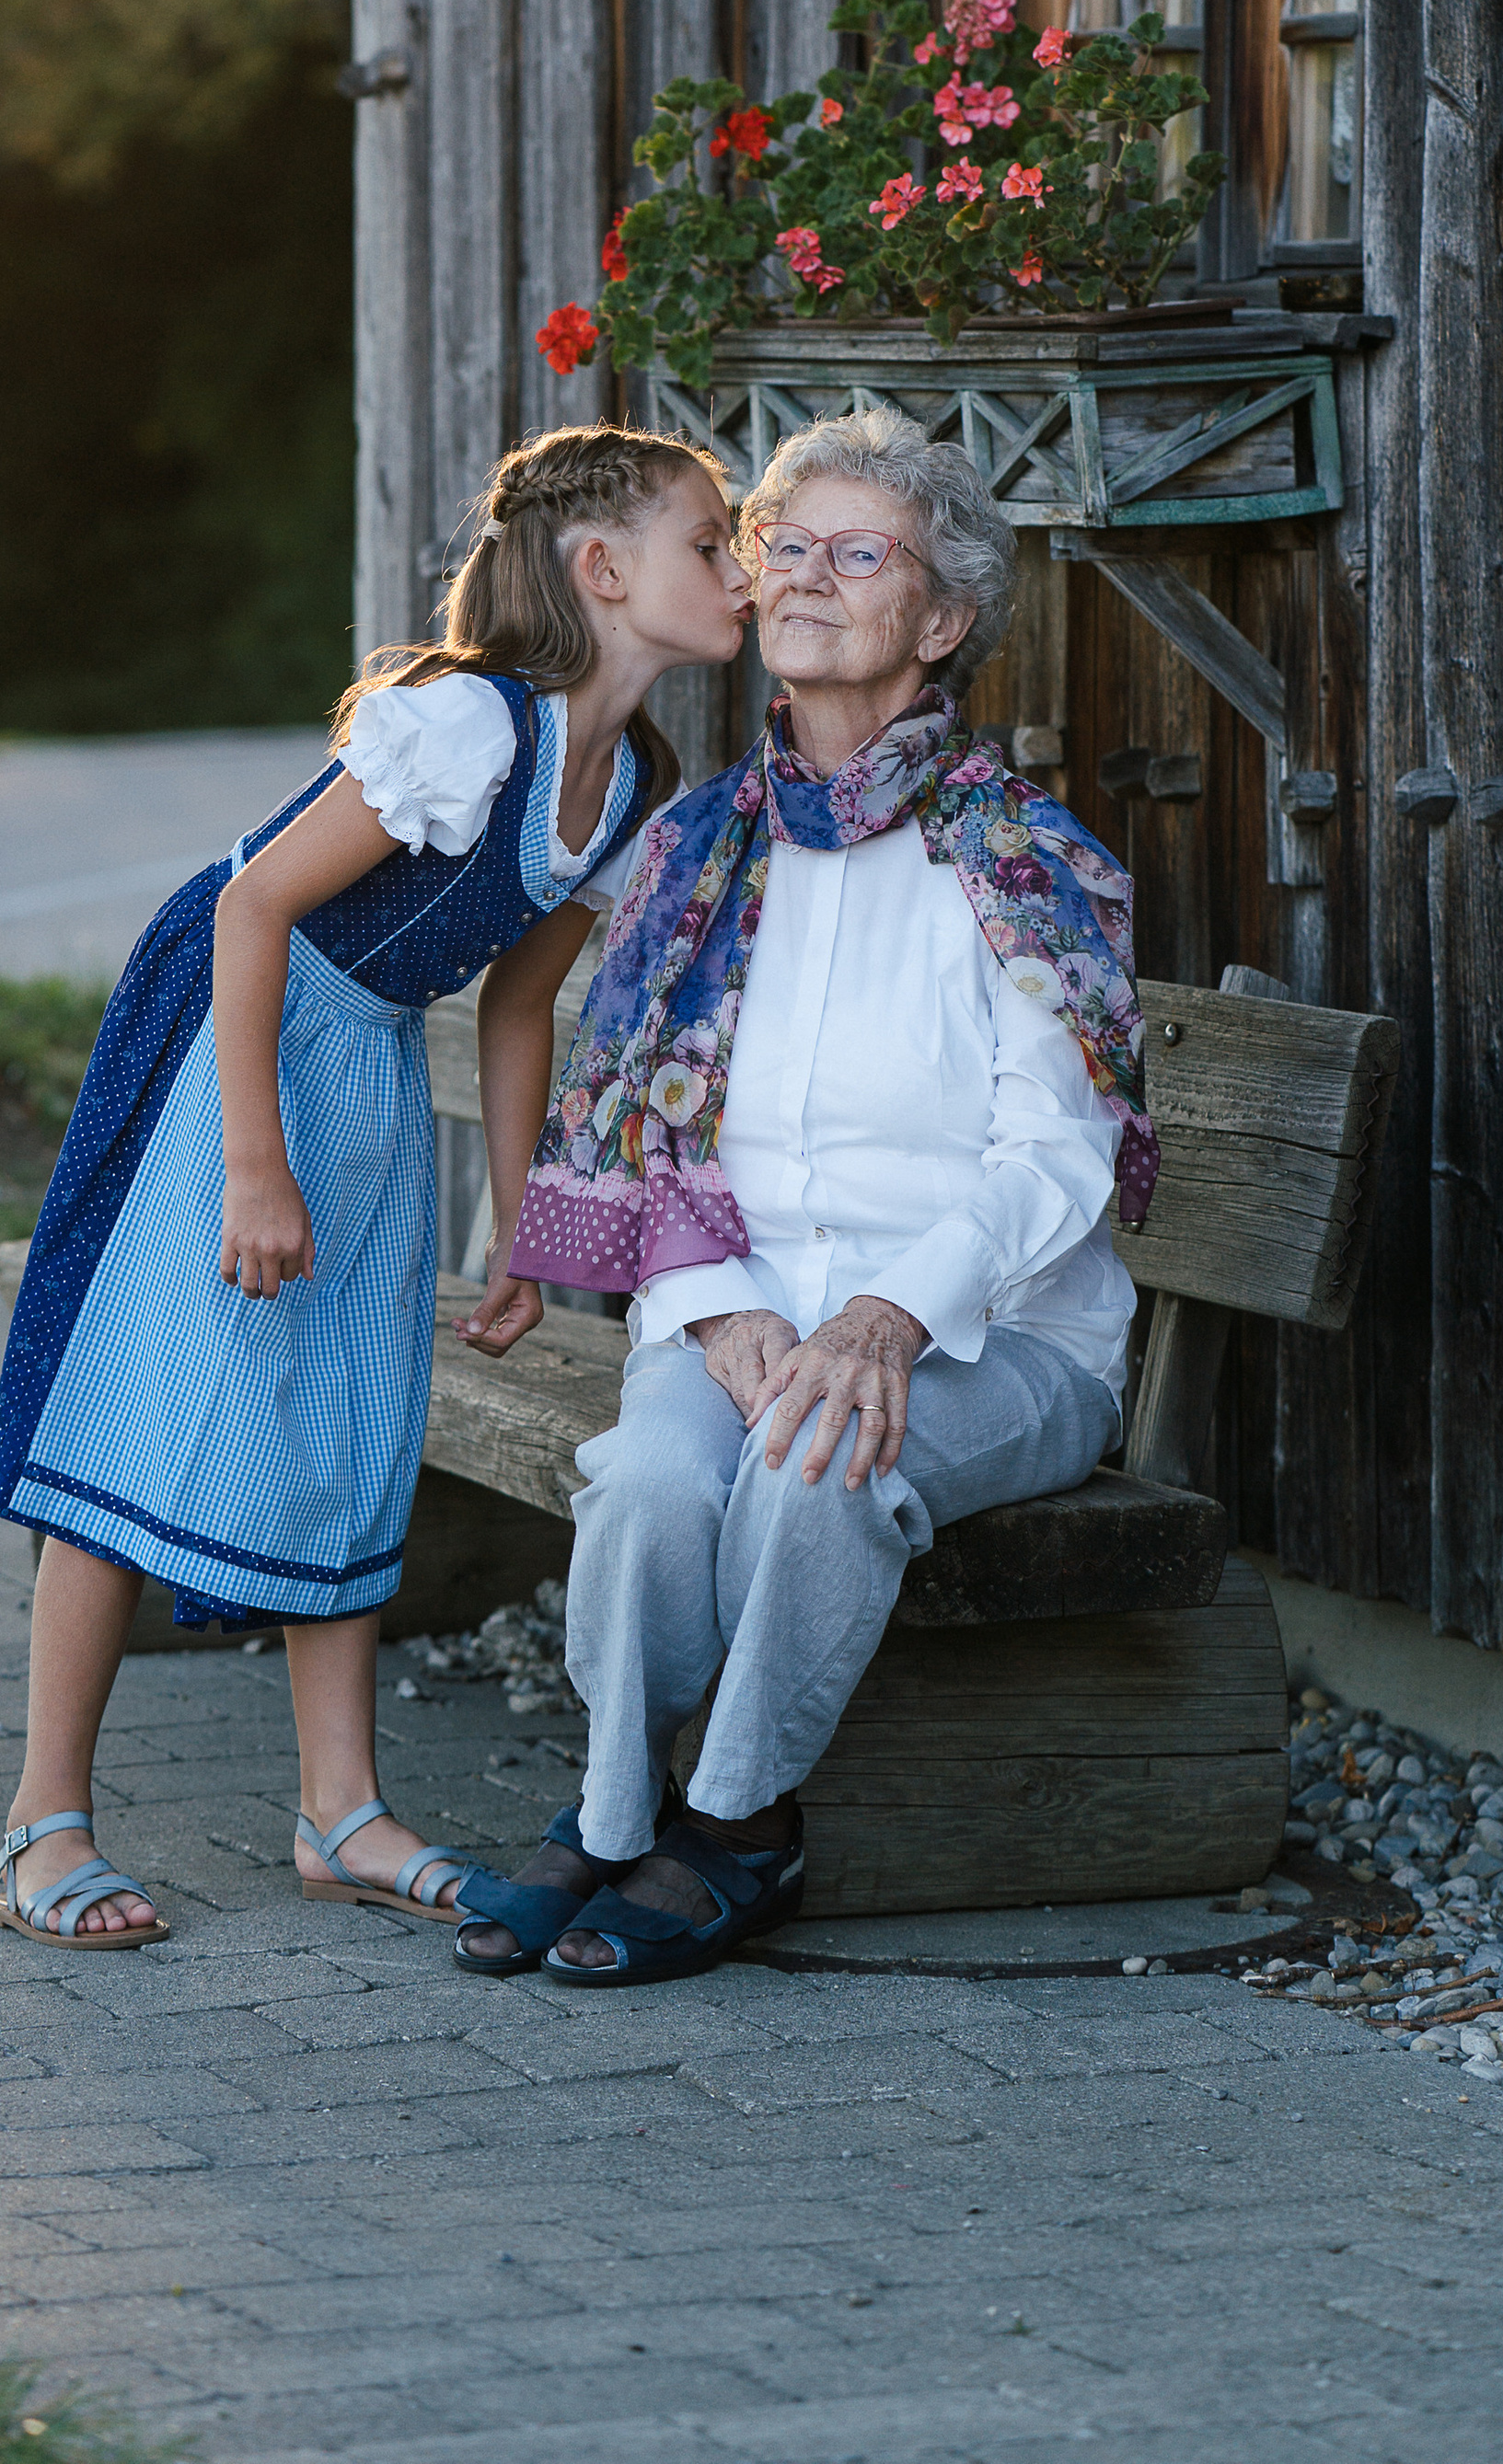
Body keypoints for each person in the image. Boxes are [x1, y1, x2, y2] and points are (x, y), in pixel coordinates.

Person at [0, 424, 750, 1946]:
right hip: (239, 1041)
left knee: (350, 1412)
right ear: (603, 571)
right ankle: (37, 1826)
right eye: (710, 543)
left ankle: (341, 1814)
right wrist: (252, 1165)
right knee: (151, 1401)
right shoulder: (466, 724)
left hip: (370, 1065)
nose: (738, 570)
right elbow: (254, 907)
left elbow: (524, 1007)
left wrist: (527, 1226)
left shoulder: (633, 778)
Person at [448, 404, 1156, 1987]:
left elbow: (1057, 1151)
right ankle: (614, 1812)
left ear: (944, 618)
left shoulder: (1019, 860)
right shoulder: (698, 845)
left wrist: (891, 1316)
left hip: (998, 1339)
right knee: (644, 1484)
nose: (809, 576)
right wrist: (715, 1311)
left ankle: (742, 1824)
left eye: (863, 553)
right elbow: (648, 1128)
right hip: (738, 1318)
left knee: (812, 1471)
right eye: (785, 547)